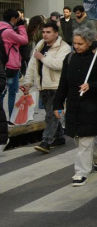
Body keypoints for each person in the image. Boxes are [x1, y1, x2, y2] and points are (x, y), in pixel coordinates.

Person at [53, 26, 97, 186]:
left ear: (89, 42)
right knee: (77, 139)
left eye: (80, 43)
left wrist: (91, 85)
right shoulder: (69, 59)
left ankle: (81, 172)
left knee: (85, 141)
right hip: (73, 105)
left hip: (92, 105)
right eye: (75, 43)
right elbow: (63, 84)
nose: (77, 46)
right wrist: (57, 103)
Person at [20, 21, 69, 153]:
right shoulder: (40, 45)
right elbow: (32, 66)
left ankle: (46, 141)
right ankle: (59, 137)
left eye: (48, 32)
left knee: (51, 115)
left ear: (56, 33)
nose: (45, 35)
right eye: (43, 32)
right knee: (50, 113)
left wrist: (42, 58)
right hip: (42, 86)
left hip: (56, 86)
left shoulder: (63, 47)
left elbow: (59, 65)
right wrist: (27, 83)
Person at [1, 9, 28, 117]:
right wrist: (21, 27)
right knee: (12, 93)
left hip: (2, 65)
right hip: (10, 66)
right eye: (18, 19)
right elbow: (24, 40)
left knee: (1, 92)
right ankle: (12, 117)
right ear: (13, 19)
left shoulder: (2, 28)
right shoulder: (8, 32)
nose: (19, 21)